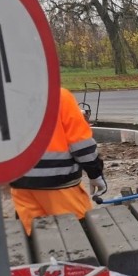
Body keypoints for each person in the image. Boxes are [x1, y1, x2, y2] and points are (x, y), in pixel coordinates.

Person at [9, 87, 106, 235]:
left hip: (21, 185)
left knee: (35, 238)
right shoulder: (59, 96)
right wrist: (95, 174)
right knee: (78, 236)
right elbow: (81, 145)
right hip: (60, 186)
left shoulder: (7, 96)